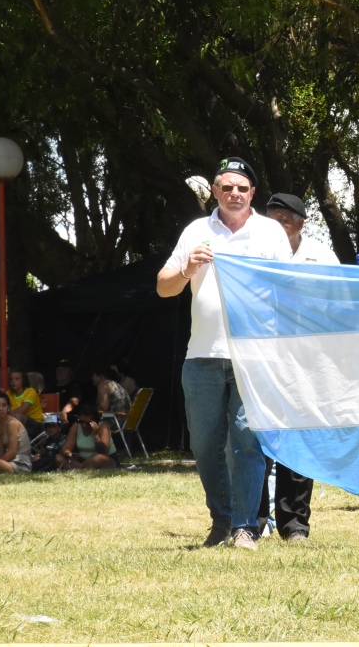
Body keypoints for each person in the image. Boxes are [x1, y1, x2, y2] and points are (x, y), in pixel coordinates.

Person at [157, 156, 291, 550]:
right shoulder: (197, 231)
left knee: (246, 442)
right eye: (226, 187)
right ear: (215, 191)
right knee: (203, 443)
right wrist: (186, 269)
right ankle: (222, 520)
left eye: (242, 188)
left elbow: (289, 290)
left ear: (253, 193)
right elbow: (164, 287)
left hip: (254, 356)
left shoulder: (270, 233)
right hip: (202, 354)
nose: (234, 194)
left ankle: (246, 526)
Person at [258, 192, 340, 542]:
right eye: (269, 221)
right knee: (256, 440)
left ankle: (294, 525)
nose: (273, 229)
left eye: (281, 222)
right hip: (261, 357)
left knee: (298, 442)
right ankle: (254, 520)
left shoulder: (320, 255)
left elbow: (340, 299)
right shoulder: (253, 251)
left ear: (299, 224)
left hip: (306, 361)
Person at [56, 403, 120, 470]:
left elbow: (104, 452)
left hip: (103, 460)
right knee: (58, 457)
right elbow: (66, 447)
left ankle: (79, 469)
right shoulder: (77, 426)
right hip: (82, 460)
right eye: (81, 421)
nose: (83, 425)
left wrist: (95, 435)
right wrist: (69, 454)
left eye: (87, 423)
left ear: (95, 422)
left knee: (98, 458)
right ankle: (83, 469)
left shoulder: (103, 426)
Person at [0, 391, 32, 474]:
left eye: (4, 405)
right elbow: (0, 452)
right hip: (8, 461)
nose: (1, 408)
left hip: (19, 464)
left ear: (8, 407)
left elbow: (12, 452)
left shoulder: (12, 423)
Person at [7, 369, 46, 437]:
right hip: (13, 423)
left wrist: (6, 414)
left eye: (17, 379)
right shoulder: (8, 394)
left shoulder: (30, 391)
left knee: (18, 415)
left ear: (24, 380)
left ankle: (16, 443)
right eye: (11, 379)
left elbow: (21, 410)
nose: (13, 381)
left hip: (36, 425)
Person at [51, 359, 82, 428]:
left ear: (70, 372)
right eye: (58, 370)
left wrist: (64, 411)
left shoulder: (73, 386)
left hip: (66, 419)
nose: (60, 372)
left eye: (63, 370)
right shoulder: (50, 387)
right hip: (48, 418)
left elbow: (74, 400)